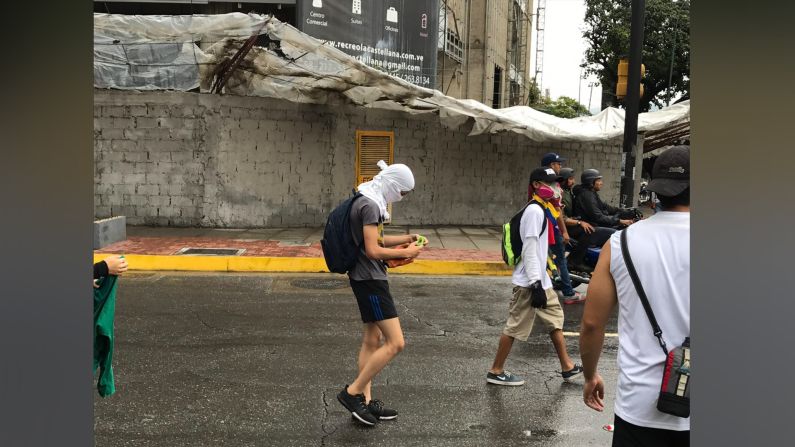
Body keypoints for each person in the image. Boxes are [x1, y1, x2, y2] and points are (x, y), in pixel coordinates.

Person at [579, 146, 691, 446]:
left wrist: (590, 375)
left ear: (656, 191)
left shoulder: (621, 243)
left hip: (639, 408)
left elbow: (591, 324)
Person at [336, 160, 426, 426]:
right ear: (393, 184)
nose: (401, 197)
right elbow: (374, 251)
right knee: (396, 342)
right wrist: (406, 253)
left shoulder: (366, 198)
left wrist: (407, 239)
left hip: (365, 277)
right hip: (370, 281)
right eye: (402, 192)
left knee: (371, 341)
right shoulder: (370, 204)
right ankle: (352, 393)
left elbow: (375, 241)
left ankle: (364, 402)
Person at [486, 167, 583, 387]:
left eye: (557, 184)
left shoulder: (545, 209)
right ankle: (496, 370)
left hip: (541, 280)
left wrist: (543, 280)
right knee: (515, 326)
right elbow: (529, 249)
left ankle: (567, 367)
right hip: (530, 282)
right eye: (551, 183)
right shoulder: (534, 212)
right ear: (537, 186)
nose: (557, 188)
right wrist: (535, 284)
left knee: (555, 321)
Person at [537, 153, 584, 304]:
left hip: (541, 227)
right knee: (560, 260)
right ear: (551, 165)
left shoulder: (538, 182)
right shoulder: (553, 187)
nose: (560, 166)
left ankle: (541, 289)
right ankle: (568, 293)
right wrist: (564, 231)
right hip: (552, 228)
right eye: (558, 164)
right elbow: (558, 213)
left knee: (544, 259)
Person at [558, 168, 616, 273]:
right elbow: (561, 217)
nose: (573, 182)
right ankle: (574, 262)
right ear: (563, 180)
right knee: (590, 230)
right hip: (563, 226)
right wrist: (579, 222)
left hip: (571, 223)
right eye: (570, 179)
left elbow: (605, 207)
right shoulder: (560, 194)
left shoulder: (568, 192)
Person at [572, 169, 637, 230]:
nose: (601, 183)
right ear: (591, 182)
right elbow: (598, 217)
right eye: (598, 181)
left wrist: (625, 212)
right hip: (591, 226)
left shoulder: (591, 193)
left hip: (596, 223)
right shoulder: (587, 196)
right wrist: (620, 221)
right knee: (617, 234)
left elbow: (606, 207)